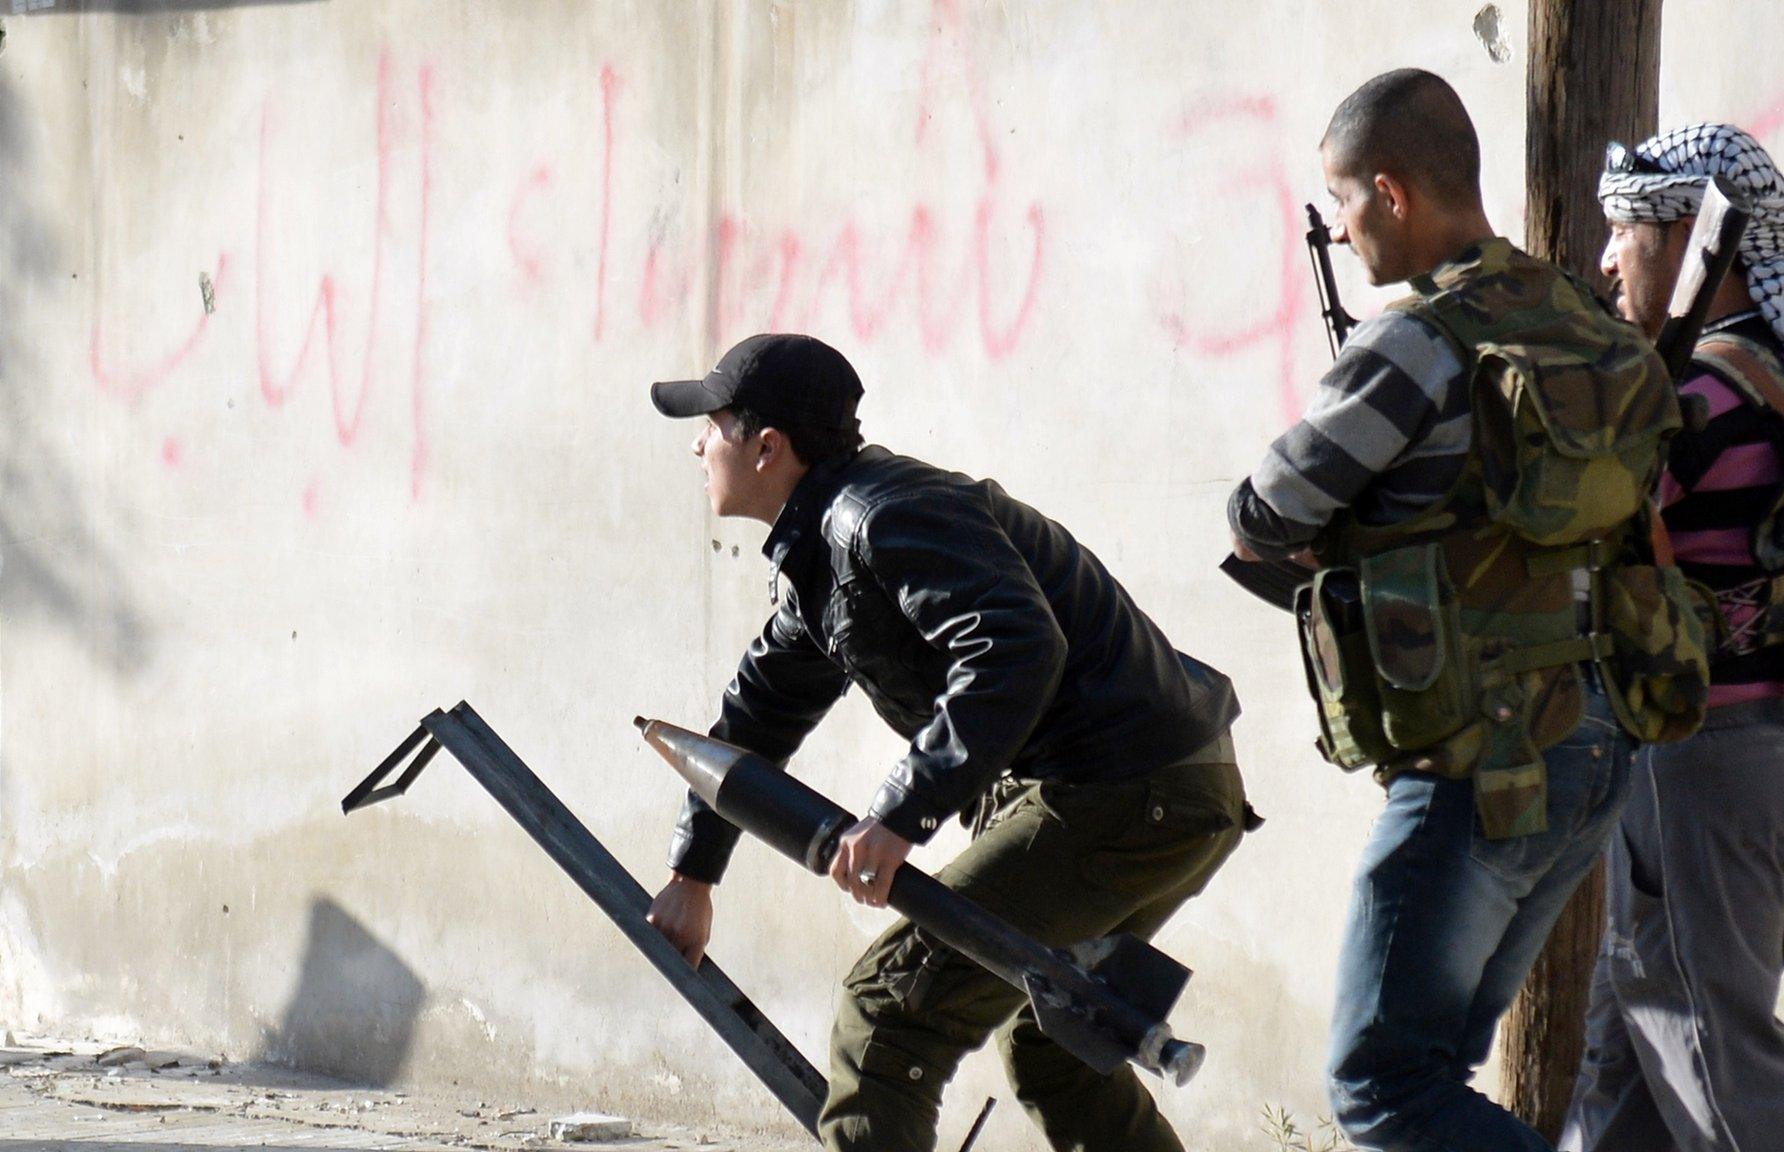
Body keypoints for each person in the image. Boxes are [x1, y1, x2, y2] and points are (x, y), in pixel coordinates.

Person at [1228, 69, 1705, 1152]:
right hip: (1592, 746)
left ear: (1390, 194)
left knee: (1381, 1089)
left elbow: (1264, 511)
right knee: (1434, 1067)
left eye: (1344, 206)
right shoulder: (1586, 322)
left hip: (1474, 763)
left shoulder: (1412, 343)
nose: (1341, 235)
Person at [641, 332, 1250, 1152]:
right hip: (1157, 784)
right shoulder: (825, 552)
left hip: (1124, 789)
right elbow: (757, 714)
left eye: (710, 426)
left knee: (888, 1013)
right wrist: (693, 874)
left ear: (767, 446)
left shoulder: (884, 516)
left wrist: (899, 815)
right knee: (1059, 1033)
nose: (696, 443)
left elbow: (1017, 647)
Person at [1560, 124, 1784, 1152]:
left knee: (1723, 1083)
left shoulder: (1687, 402)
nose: (1603, 259)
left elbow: (1569, 561)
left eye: (1624, 229)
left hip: (1701, 780)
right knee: (1624, 1070)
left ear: (1694, 238)